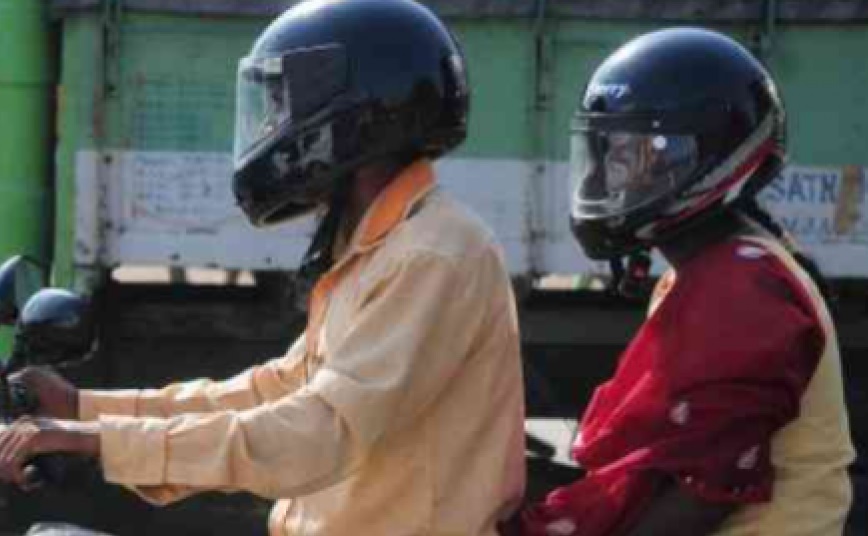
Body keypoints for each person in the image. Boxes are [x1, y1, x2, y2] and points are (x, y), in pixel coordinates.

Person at [0, 1, 526, 534]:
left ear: (353, 116)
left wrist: (99, 442)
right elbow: (275, 390)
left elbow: (320, 431)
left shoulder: (431, 254)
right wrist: (84, 409)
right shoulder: (382, 246)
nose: (274, 127)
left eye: (284, 106)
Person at [520, 28, 855, 536]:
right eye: (611, 152)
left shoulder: (742, 285)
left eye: (641, 153)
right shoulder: (713, 269)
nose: (614, 177)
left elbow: (704, 492)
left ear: (708, 159)